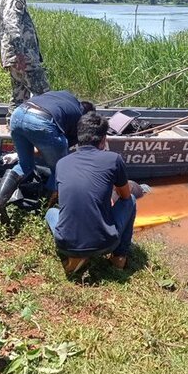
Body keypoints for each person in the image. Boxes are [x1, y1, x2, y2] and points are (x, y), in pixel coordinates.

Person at [45, 112, 137, 274]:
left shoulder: (62, 163)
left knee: (52, 213)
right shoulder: (114, 159)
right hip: (105, 243)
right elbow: (125, 196)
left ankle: (75, 255)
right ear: (103, 140)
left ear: (79, 138)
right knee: (132, 201)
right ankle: (119, 256)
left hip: (66, 243)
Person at [0, 90, 95, 212]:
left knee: (24, 164)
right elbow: (62, 148)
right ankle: (45, 210)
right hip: (41, 122)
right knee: (60, 169)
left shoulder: (64, 96)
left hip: (18, 115)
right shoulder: (80, 116)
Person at [0, 0, 50, 109]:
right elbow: (11, 24)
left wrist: (4, 54)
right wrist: (20, 54)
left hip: (12, 55)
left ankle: (13, 125)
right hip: (23, 56)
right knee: (44, 95)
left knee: (19, 95)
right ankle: (48, 128)